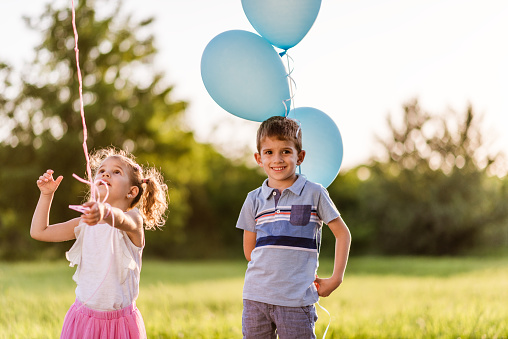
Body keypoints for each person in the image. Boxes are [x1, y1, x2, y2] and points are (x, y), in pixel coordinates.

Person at [30, 147, 168, 339]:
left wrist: (104, 212)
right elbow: (39, 232)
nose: (105, 173)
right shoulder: (84, 223)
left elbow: (120, 219)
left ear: (131, 191)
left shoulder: (133, 221)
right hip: (82, 320)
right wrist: (46, 195)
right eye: (101, 170)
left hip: (120, 326)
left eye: (116, 171)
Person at [236, 116, 351, 339]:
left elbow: (343, 234)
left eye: (286, 151)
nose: (277, 159)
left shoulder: (314, 192)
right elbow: (250, 252)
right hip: (255, 298)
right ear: (259, 158)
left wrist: (336, 278)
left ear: (300, 156)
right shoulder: (253, 199)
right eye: (269, 152)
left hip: (296, 301)